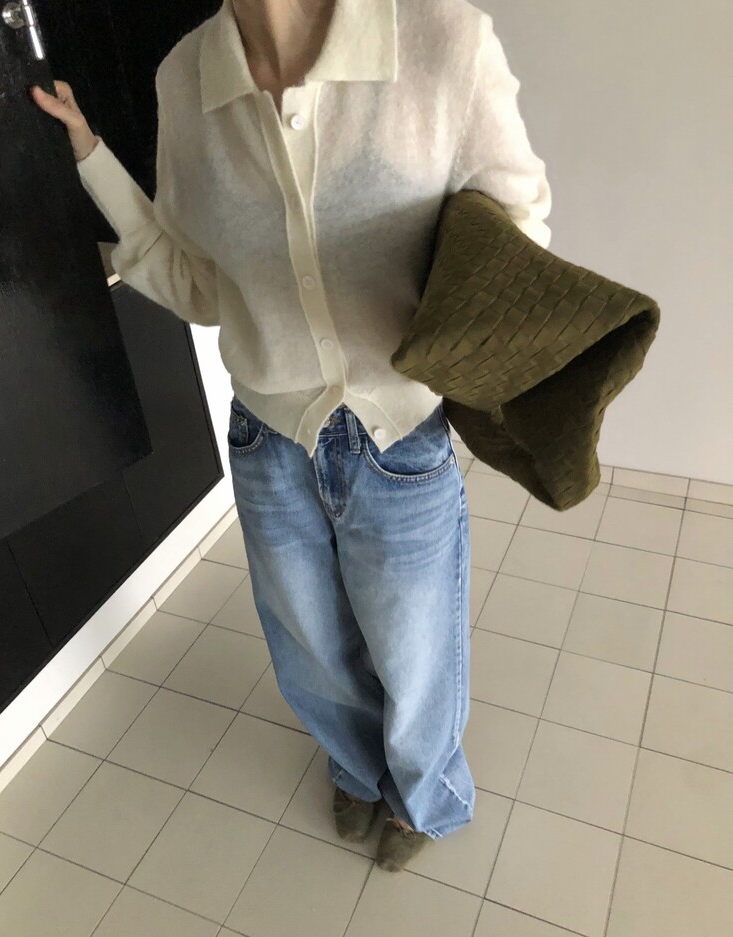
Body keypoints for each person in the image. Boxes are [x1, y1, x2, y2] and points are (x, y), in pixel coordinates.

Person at [31, 0, 551, 872]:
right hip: (268, 437)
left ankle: (424, 796)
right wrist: (92, 157)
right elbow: (198, 282)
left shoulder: (441, 40)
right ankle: (355, 766)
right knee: (308, 647)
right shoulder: (184, 81)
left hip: (398, 434)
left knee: (416, 651)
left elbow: (517, 239)